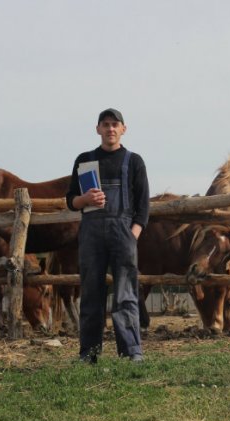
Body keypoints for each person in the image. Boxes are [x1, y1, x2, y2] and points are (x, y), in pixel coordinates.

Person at [66, 108, 150, 363]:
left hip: (123, 233)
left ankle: (131, 352)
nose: (110, 129)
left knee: (126, 294)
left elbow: (143, 207)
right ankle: (89, 354)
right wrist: (85, 198)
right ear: (98, 129)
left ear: (123, 129)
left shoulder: (134, 161)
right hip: (91, 234)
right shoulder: (84, 160)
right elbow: (71, 201)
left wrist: (132, 235)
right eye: (105, 124)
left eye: (115, 124)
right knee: (91, 293)